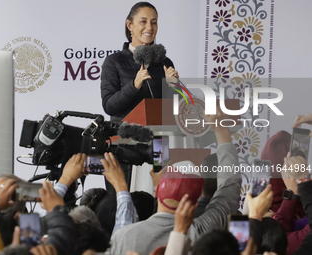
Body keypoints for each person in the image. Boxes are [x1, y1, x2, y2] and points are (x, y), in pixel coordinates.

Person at [108, 106, 242, 254]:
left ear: (157, 189)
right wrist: (221, 130)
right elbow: (230, 186)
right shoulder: (203, 232)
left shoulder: (123, 237)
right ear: (195, 202)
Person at [100, 1, 179, 122]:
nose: (149, 27)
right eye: (143, 22)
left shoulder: (164, 62)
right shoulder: (114, 61)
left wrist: (173, 87)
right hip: (126, 137)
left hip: (159, 137)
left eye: (154, 22)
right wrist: (134, 85)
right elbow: (109, 106)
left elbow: (176, 110)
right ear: (129, 25)